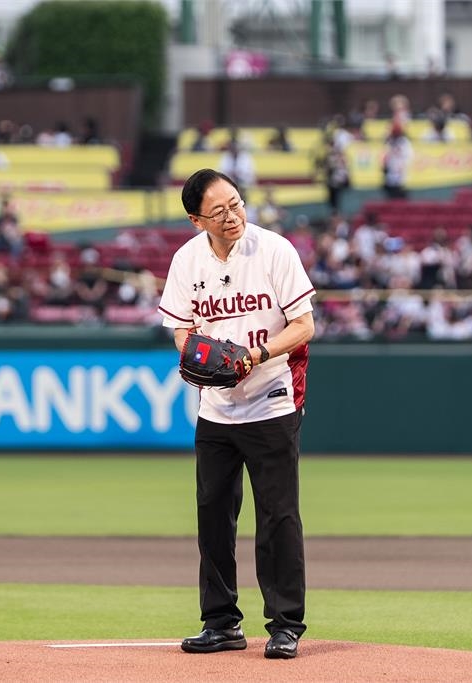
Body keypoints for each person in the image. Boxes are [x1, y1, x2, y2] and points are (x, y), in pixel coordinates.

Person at [157, 169, 315, 660]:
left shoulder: (274, 250)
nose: (232, 216)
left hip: (272, 399)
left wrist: (256, 355)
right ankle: (221, 622)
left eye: (236, 204)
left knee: (278, 517)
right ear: (195, 219)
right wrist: (197, 356)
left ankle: (285, 624)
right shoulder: (186, 260)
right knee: (214, 518)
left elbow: (304, 325)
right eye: (219, 211)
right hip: (217, 410)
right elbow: (181, 330)